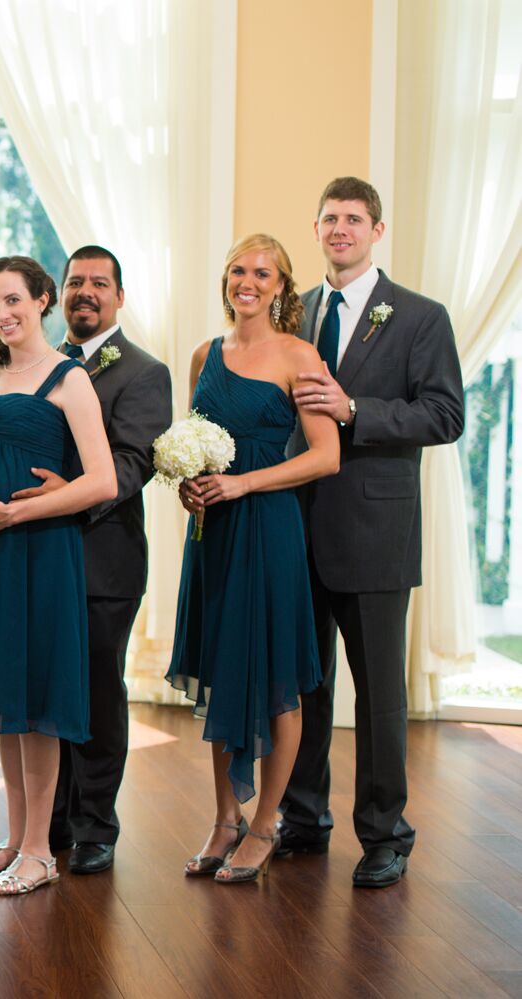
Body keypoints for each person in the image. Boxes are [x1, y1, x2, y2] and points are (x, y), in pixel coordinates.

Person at [279, 177, 464, 888]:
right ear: (317, 227)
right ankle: (302, 817)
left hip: (376, 533)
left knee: (379, 693)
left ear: (377, 230)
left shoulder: (420, 316)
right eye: (329, 218)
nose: (340, 229)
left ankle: (386, 833)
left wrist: (356, 408)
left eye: (353, 218)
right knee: (307, 685)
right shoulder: (297, 315)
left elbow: (444, 415)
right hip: (297, 528)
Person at [0, 257, 115, 896]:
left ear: (42, 300)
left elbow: (103, 481)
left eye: (13, 300)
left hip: (38, 549)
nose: (2, 314)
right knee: (6, 700)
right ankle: (13, 838)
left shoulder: (70, 379)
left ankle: (40, 849)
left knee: (37, 703)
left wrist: (14, 513)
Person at [169, 234, 339, 884]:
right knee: (218, 666)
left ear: (281, 286)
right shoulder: (203, 355)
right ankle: (222, 817)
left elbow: (326, 455)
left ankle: (266, 820)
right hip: (213, 531)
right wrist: (193, 487)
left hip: (268, 526)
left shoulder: (301, 355)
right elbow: (194, 442)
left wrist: (242, 483)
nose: (248, 280)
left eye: (262, 272)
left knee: (275, 677)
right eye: (239, 269)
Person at [31, 246, 173, 875]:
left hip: (101, 559)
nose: (85, 292)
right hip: (34, 555)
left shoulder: (144, 372)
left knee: (92, 690)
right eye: (74, 282)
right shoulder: (35, 362)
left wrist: (63, 499)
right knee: (42, 688)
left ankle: (95, 825)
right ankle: (47, 821)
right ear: (59, 294)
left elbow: (132, 463)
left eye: (99, 283)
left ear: (120, 296)